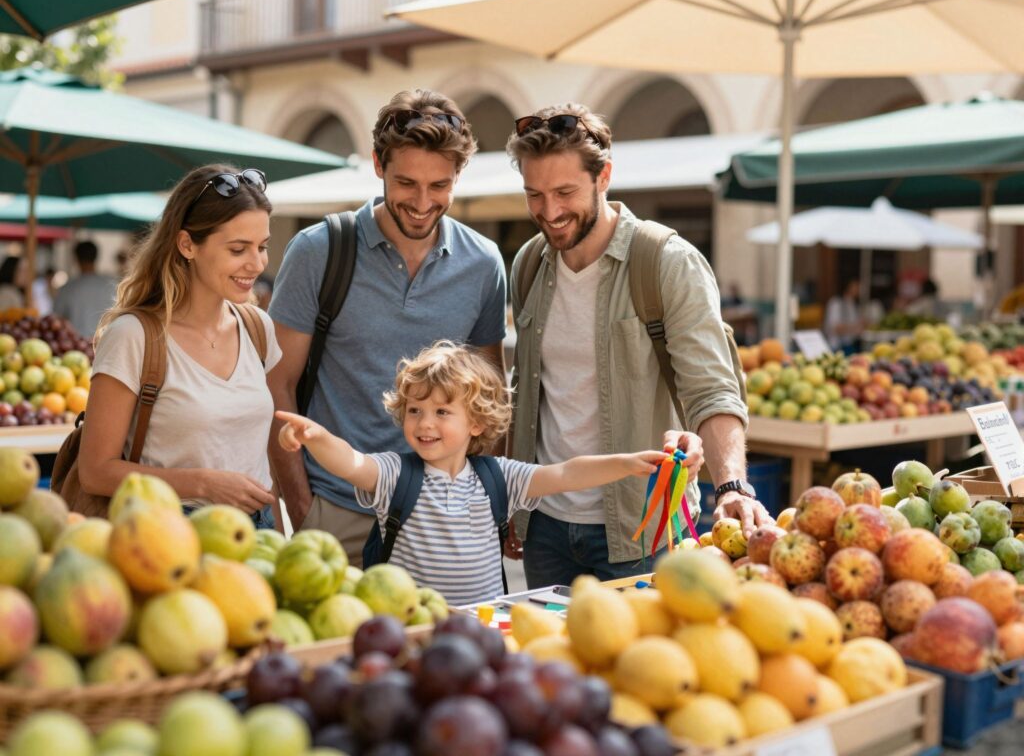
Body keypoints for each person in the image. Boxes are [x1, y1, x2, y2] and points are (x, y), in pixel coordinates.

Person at [505, 104, 766, 587]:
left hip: (643, 530)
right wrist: (509, 503)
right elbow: (524, 390)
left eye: (565, 192)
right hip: (543, 526)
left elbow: (712, 389)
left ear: (603, 176)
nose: (550, 211)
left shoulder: (665, 261)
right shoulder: (529, 264)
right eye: (534, 194)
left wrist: (732, 485)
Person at [268, 90, 507, 560]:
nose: (422, 202)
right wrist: (302, 508)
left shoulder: (483, 263)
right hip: (336, 508)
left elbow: (489, 401)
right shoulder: (318, 251)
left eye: (439, 185)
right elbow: (278, 385)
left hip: (440, 513)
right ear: (378, 164)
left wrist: (483, 506)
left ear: (458, 176)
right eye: (406, 183)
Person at [276, 341, 667, 604]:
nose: (424, 423)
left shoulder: (498, 477)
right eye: (415, 411)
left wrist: (626, 464)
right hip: (414, 625)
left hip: (482, 629)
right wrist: (317, 437)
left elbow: (565, 474)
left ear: (477, 423)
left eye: (442, 412)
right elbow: (351, 462)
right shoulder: (396, 474)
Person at [79, 165, 282, 529]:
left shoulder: (258, 328)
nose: (258, 264)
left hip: (257, 532)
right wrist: (202, 483)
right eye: (239, 249)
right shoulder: (134, 336)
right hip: (168, 532)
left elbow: (262, 456)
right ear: (187, 244)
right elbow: (95, 472)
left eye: (262, 247)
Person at [53, 241, 120, 338]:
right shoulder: (112, 285)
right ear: (96, 257)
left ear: (76, 259)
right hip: (106, 343)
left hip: (77, 345)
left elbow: (57, 319)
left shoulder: (67, 289)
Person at [824, 278, 864, 353]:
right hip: (836, 346)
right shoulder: (835, 303)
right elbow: (835, 328)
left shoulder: (852, 303)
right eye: (857, 286)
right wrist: (855, 328)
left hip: (850, 345)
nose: (859, 289)